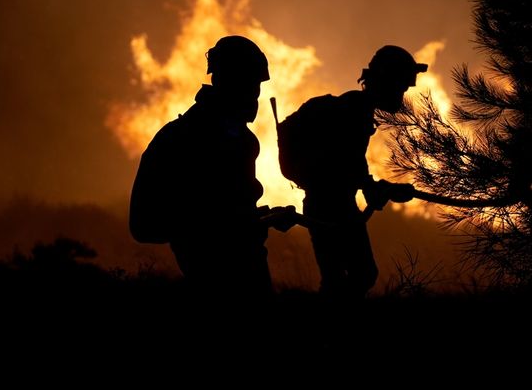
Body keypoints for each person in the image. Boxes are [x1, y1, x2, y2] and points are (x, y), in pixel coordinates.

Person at [130, 35, 283, 299]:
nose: (255, 94)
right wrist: (220, 227)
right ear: (227, 81)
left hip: (247, 261)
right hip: (213, 271)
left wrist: (261, 219)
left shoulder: (244, 141)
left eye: (256, 85)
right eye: (249, 83)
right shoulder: (181, 139)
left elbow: (235, 206)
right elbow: (147, 224)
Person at [288, 45, 426, 300]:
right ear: (387, 81)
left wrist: (377, 188)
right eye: (401, 87)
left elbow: (351, 165)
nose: (402, 94)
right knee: (349, 278)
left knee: (352, 276)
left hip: (335, 204)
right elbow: (342, 163)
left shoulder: (356, 109)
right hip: (328, 207)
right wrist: (377, 189)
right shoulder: (353, 111)